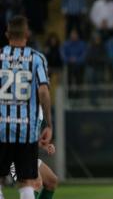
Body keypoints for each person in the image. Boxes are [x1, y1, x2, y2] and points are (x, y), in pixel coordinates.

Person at [0, 15, 53, 199]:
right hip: (26, 131)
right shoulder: (37, 58)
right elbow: (44, 91)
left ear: (7, 34)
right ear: (27, 34)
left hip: (0, 129)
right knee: (27, 182)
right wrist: (49, 123)